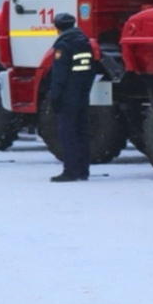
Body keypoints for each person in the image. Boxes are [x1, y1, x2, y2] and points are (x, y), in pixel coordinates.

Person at [47, 12, 94, 182]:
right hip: (82, 93)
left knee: (68, 133)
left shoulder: (63, 45)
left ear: (57, 27)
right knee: (82, 131)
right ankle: (83, 170)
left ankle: (70, 171)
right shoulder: (84, 42)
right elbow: (90, 69)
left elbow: (59, 76)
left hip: (68, 95)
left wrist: (55, 96)